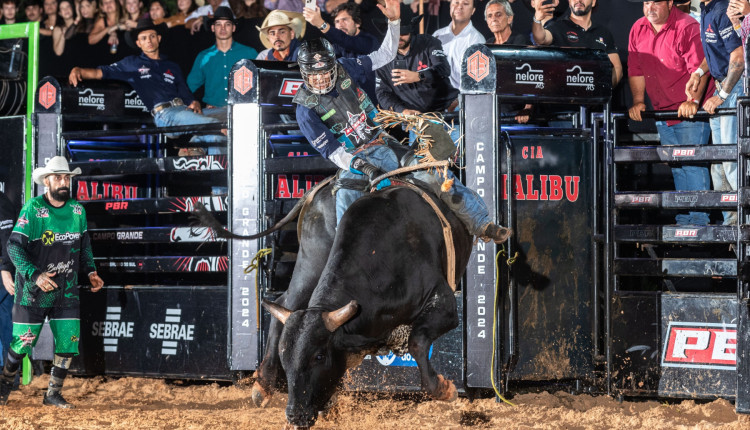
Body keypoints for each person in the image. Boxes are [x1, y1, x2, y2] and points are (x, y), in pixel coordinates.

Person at [294, 1, 512, 243]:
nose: (322, 79)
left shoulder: (346, 67)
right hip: (353, 159)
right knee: (345, 205)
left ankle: (482, 223)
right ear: (305, 73)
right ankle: (344, 254)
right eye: (315, 75)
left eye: (325, 72)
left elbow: (385, 54)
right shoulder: (305, 110)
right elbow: (333, 152)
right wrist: (360, 165)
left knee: (434, 172)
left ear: (333, 66)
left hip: (383, 143)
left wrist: (394, 22)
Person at [0, 156, 104, 408]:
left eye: (66, 177)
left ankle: (52, 394)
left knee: (68, 343)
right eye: (58, 177)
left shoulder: (78, 211)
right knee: (21, 344)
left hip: (66, 291)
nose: (63, 181)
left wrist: (91, 272)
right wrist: (34, 274)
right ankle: (3, 388)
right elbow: (13, 246)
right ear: (46, 181)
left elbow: (85, 246)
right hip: (33, 292)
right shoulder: (33, 210)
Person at [70, 18, 226, 153]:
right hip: (166, 115)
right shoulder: (133, 63)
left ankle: (215, 180)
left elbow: (185, 93)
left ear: (159, 38)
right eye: (144, 38)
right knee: (217, 126)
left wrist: (194, 102)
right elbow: (100, 73)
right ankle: (194, 144)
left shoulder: (172, 66)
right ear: (138, 43)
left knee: (227, 115)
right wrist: (78, 70)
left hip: (184, 112)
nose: (149, 41)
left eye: (152, 36)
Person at [628, 0, 713, 225]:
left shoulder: (687, 26)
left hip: (689, 111)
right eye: (646, 2)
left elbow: (700, 69)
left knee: (693, 165)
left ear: (669, 3)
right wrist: (638, 101)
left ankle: (699, 223)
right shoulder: (638, 28)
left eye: (656, 2)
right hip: (662, 112)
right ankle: (686, 222)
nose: (650, 7)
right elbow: (635, 69)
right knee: (676, 165)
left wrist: (693, 101)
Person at [688, 0, 744, 225]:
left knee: (732, 161)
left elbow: (738, 58)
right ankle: (732, 225)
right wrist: (700, 71)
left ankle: (744, 227)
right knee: (721, 163)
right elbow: (716, 47)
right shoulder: (707, 9)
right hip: (724, 85)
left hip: (733, 88)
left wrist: (721, 96)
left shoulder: (721, 9)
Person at [376, 14, 458, 116]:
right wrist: (402, 111)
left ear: (411, 31)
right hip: (416, 119)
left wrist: (419, 76)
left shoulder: (428, 43)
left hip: (448, 111)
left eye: (404, 32)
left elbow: (444, 69)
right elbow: (383, 93)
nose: (399, 37)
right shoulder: (382, 58)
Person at [531, 0, 623, 86]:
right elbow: (541, 39)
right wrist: (537, 19)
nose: (578, 1)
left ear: (593, 2)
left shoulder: (603, 32)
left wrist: (602, 88)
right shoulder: (558, 27)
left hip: (593, 100)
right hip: (565, 97)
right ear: (569, 1)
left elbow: (617, 68)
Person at [187, 7, 257, 114]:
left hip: (242, 112)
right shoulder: (204, 56)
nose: (223, 28)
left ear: (233, 28)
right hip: (212, 112)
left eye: (227, 24)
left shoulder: (249, 53)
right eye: (218, 24)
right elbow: (189, 86)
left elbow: (262, 84)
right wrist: (193, 101)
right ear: (212, 28)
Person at [484, 0, 532, 123]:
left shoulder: (520, 41)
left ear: (509, 19)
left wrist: (528, 108)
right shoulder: (486, 46)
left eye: (498, 14)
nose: (494, 19)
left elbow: (533, 76)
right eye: (490, 16)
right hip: (492, 108)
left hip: (516, 111)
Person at [433, 0, 486, 90]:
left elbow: (476, 81)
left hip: (460, 100)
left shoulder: (477, 41)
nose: (459, 7)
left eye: (465, 4)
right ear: (450, 6)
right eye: (456, 2)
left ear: (473, 10)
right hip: (436, 97)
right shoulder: (437, 35)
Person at [303, 2, 378, 58]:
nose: (340, 25)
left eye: (344, 20)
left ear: (357, 23)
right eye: (337, 21)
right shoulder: (338, 45)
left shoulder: (368, 41)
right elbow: (328, 54)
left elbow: (347, 41)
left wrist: (321, 24)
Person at [0, 191, 16, 371]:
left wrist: (5, 269)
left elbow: (8, 239)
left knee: (6, 324)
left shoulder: (1, 201)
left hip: (2, 272)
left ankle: (10, 377)